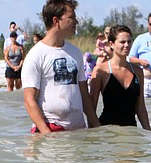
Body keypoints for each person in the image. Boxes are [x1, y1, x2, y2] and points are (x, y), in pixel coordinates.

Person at [21, 0, 100, 133]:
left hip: (77, 128)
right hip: (51, 128)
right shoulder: (36, 55)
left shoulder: (75, 52)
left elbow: (83, 93)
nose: (76, 22)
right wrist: (46, 133)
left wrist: (97, 126)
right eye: (71, 17)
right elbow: (29, 101)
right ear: (56, 20)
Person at [88, 25, 151, 130]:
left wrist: (149, 133)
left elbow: (141, 108)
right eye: (122, 42)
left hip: (131, 132)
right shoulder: (100, 71)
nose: (127, 45)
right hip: (108, 133)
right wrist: (93, 134)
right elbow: (91, 108)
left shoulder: (137, 71)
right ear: (111, 44)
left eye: (129, 42)